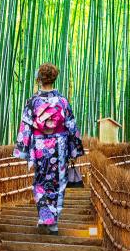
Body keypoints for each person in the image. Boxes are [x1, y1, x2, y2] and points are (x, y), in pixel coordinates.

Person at [12, 63, 83, 234]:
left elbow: (26, 128)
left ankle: (44, 217)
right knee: (58, 182)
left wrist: (26, 151)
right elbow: (71, 127)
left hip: (39, 147)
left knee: (41, 181)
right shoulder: (62, 101)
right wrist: (74, 150)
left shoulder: (32, 102)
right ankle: (53, 222)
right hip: (60, 146)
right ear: (54, 78)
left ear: (39, 79)